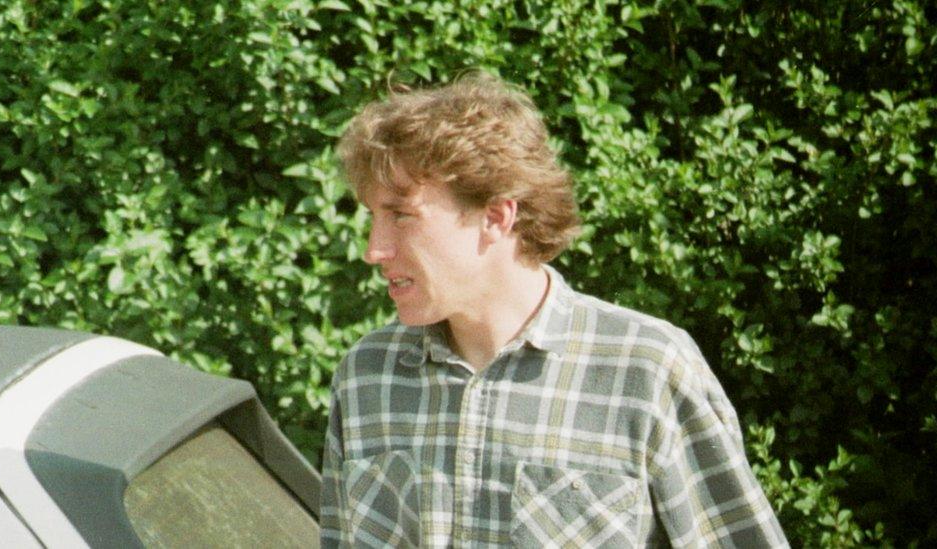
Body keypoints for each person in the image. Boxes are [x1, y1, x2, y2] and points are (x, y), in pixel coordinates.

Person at [320, 72, 788, 548]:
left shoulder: (645, 372)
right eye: (372, 217)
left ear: (497, 216)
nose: (374, 249)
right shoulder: (366, 379)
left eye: (400, 215)